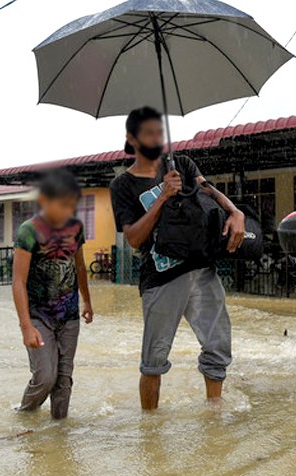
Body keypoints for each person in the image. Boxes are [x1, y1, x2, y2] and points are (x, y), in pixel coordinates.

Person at [110, 106, 245, 409]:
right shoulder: (122, 185)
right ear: (132, 139)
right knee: (155, 358)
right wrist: (161, 198)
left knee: (217, 345)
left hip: (202, 268)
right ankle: (150, 428)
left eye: (160, 132)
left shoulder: (181, 164)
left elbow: (209, 191)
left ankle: (214, 413)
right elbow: (133, 238)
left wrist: (235, 212)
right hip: (161, 278)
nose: (157, 138)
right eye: (149, 133)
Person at [12, 169, 93, 419]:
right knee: (45, 377)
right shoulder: (29, 231)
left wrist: (87, 301)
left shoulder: (75, 228)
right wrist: (26, 325)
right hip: (39, 316)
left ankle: (59, 435)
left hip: (69, 315)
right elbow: (18, 281)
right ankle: (24, 416)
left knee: (64, 380)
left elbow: (79, 265)